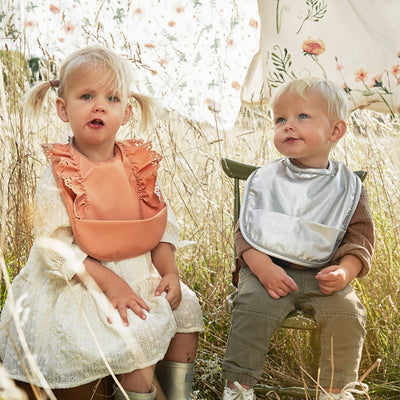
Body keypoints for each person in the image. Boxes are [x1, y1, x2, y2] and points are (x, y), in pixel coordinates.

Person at [0, 46, 204, 400]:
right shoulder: (61, 173)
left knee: (185, 306)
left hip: (138, 272)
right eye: (87, 96)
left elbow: (158, 225)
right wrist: (110, 283)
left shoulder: (137, 166)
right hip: (82, 279)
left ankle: (177, 394)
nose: (99, 106)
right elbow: (57, 247)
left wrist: (168, 271)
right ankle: (130, 389)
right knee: (108, 334)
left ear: (126, 112)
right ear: (64, 109)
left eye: (111, 98)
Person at [221, 77, 374, 400]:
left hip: (322, 274)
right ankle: (238, 386)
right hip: (267, 270)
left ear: (336, 131)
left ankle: (335, 389)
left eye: (302, 116)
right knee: (253, 306)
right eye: (280, 119)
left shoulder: (347, 187)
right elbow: (246, 231)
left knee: (347, 312)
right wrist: (262, 268)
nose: (288, 126)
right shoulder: (266, 179)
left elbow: (359, 236)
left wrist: (345, 270)